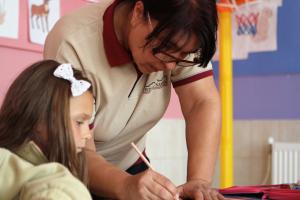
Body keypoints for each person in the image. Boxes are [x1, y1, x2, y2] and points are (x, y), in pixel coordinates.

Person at [44, 0, 223, 199]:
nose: (171, 66)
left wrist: (199, 181)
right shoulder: (73, 44)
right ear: (138, 12)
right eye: (168, 49)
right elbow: (76, 150)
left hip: (130, 164)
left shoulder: (182, 36)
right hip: (74, 170)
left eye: (183, 56)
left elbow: (202, 103)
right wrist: (124, 185)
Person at [0, 60, 94, 199]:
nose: (87, 135)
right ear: (39, 118)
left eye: (89, 123)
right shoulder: (55, 191)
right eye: (79, 122)